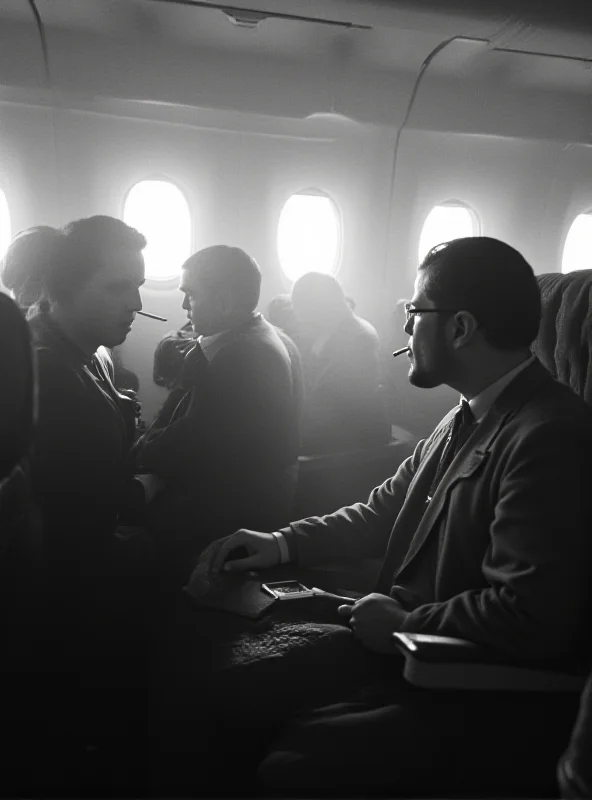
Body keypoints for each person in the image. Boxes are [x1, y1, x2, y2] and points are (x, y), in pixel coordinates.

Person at [200, 237, 592, 795]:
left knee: (283, 764)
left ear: (459, 328)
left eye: (414, 313)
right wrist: (281, 543)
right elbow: (384, 511)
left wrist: (407, 624)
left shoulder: (548, 433)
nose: (405, 331)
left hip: (456, 680)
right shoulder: (468, 412)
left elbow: (527, 612)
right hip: (399, 644)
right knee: (225, 678)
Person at [134, 245, 303, 577]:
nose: (184, 305)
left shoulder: (239, 357)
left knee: (114, 520)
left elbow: (187, 443)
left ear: (224, 299)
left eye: (191, 295)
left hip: (232, 508)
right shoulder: (268, 337)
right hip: (254, 493)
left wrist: (140, 453)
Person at [27, 215, 149, 563]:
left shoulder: (97, 350)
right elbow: (73, 513)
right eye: (117, 287)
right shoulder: (44, 372)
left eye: (138, 286)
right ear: (65, 287)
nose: (137, 304)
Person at [291, 272, 390, 455]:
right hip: (340, 420)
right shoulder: (337, 329)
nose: (299, 319)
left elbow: (334, 403)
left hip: (355, 430)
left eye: (300, 311)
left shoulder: (357, 340)